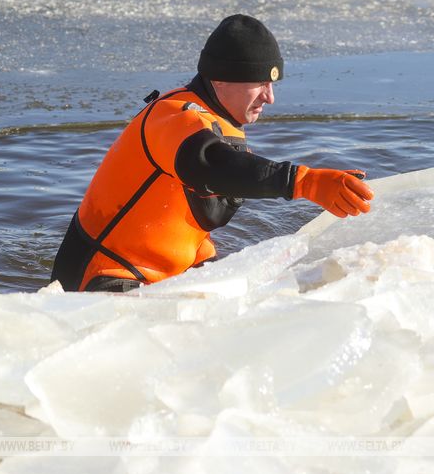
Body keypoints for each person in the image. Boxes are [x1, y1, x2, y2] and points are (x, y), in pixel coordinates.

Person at [51, 14, 374, 292]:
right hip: (108, 275)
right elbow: (214, 166)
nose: (270, 98)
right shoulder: (175, 118)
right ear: (221, 79)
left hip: (172, 268)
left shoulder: (218, 118)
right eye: (259, 83)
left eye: (273, 84)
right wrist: (304, 182)